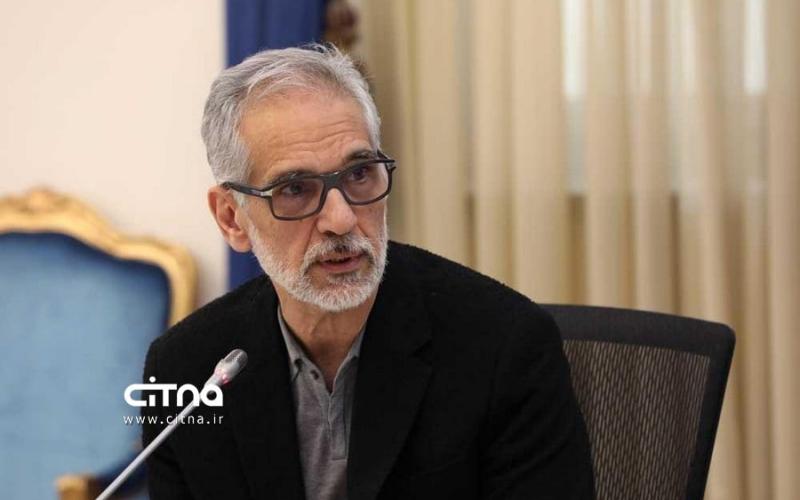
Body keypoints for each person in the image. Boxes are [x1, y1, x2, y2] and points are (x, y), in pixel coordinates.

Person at [142, 44, 594, 500]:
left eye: (359, 174)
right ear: (231, 218)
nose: (341, 219)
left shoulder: (505, 347)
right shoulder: (187, 371)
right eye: (295, 189)